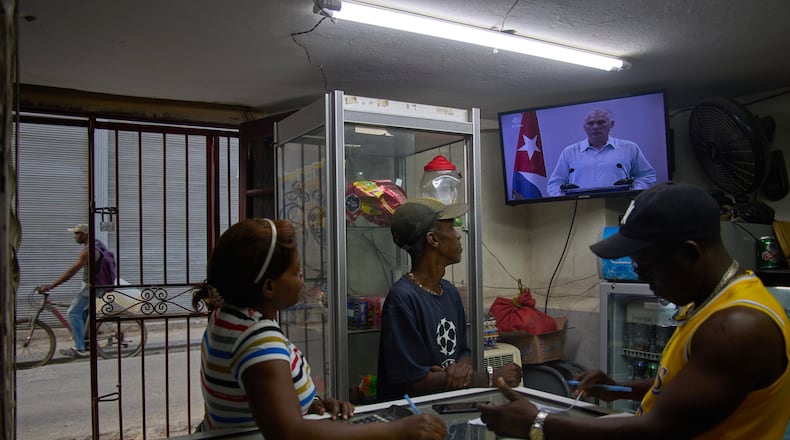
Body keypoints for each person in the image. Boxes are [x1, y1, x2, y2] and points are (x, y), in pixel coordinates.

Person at [479, 182, 790, 439]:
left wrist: (538, 423)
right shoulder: (711, 303)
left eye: (645, 266)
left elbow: (656, 430)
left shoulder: (737, 328)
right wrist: (620, 388)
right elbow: (688, 389)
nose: (643, 279)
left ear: (689, 253)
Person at [192, 218, 446, 439]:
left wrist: (309, 405)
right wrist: (394, 432)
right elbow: (289, 433)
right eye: (297, 272)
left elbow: (255, 404)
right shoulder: (258, 340)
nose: (302, 278)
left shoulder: (226, 317)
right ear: (269, 287)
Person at [377, 198, 522, 400]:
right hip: (412, 415)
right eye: (451, 228)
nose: (458, 235)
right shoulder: (402, 298)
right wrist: (491, 377)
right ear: (433, 239)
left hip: (446, 407)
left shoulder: (450, 292)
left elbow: (463, 352)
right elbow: (414, 381)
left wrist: (458, 370)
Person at [39, 223, 116, 358]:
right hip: (95, 285)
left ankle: (79, 347)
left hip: (92, 286)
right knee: (84, 312)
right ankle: (88, 341)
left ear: (84, 235)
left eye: (77, 234)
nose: (74, 237)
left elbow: (71, 272)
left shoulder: (88, 251)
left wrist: (51, 286)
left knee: (73, 312)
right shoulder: (97, 244)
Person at [546, 108, 656, 196]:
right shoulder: (569, 152)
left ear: (611, 124)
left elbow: (647, 176)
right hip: (579, 208)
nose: (595, 127)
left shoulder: (629, 148)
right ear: (584, 127)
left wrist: (632, 191)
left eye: (601, 122)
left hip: (620, 204)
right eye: (590, 123)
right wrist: (564, 199)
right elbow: (554, 184)